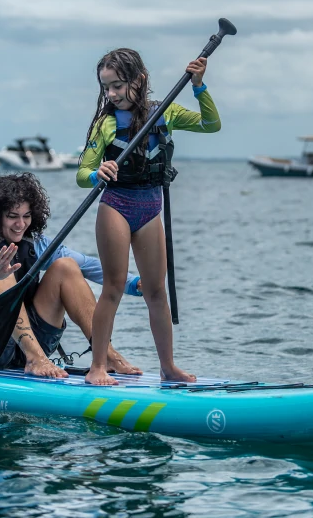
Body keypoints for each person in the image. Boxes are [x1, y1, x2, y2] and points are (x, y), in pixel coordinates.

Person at [77, 48, 221, 386]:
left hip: (150, 209)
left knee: (157, 291)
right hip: (116, 206)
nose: (111, 94)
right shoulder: (106, 123)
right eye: (106, 88)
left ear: (139, 80)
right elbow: (82, 174)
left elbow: (211, 125)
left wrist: (199, 87)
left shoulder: (165, 112)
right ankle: (98, 366)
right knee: (113, 287)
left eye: (117, 86)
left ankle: (168, 367)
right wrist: (97, 173)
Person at [0, 172, 143, 379]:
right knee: (2, 274)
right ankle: (35, 359)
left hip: (34, 342)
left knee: (66, 266)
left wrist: (135, 283)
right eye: (12, 216)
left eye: (26, 216)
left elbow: (88, 265)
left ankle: (106, 355)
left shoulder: (36, 243)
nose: (21, 224)